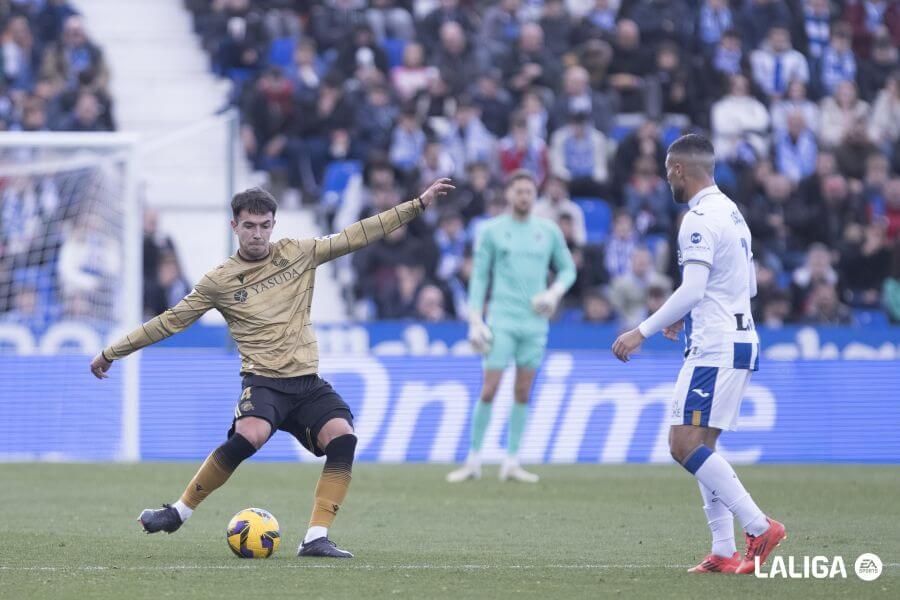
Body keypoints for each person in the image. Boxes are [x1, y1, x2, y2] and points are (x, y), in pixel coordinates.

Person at [89, 179, 455, 558]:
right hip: (264, 382)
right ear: (235, 227)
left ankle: (315, 537)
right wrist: (112, 352)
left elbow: (356, 235)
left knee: (343, 437)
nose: (257, 234)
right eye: (249, 225)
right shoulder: (220, 280)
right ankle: (178, 512)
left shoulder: (298, 252)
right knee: (251, 434)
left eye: (265, 225)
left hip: (307, 383)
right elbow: (170, 321)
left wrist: (417, 205)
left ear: (274, 224)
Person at [612, 135, 785, 575]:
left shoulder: (697, 218)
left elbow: (692, 287)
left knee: (682, 444)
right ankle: (724, 550)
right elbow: (748, 286)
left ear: (678, 170)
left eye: (667, 169)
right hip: (739, 338)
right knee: (703, 445)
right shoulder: (732, 212)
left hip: (715, 347)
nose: (665, 176)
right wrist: (685, 314)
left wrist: (641, 331)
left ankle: (759, 526)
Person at [447, 170, 575, 484]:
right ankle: (474, 459)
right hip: (501, 320)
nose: (524, 197)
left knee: (523, 391)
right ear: (509, 194)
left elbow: (568, 269)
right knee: (489, 388)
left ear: (535, 195)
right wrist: (475, 318)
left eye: (529, 191)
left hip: (535, 324)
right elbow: (479, 276)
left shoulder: (548, 231)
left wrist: (553, 293)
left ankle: (512, 460)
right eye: (519, 191)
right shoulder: (491, 231)